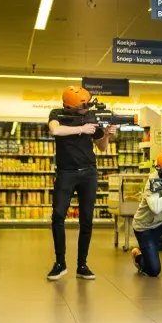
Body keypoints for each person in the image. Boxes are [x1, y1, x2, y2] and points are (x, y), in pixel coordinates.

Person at [47, 86, 116, 281]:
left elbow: (101, 148)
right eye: (83, 107)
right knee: (58, 216)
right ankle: (60, 263)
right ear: (71, 106)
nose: (87, 110)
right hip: (66, 173)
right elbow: (55, 130)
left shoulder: (92, 118)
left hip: (89, 173)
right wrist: (81, 129)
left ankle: (82, 265)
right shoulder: (57, 114)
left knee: (86, 220)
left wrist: (107, 135)